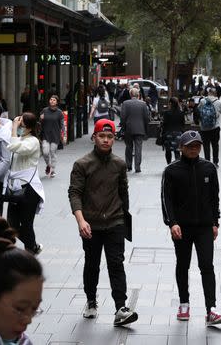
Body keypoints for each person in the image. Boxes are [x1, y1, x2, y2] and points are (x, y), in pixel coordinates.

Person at [68, 119, 138, 327]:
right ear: (94, 137)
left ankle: (120, 308)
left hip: (115, 222)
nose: (106, 140)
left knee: (116, 264)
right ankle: (91, 300)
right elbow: (74, 193)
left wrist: (124, 218)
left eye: (110, 137)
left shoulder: (119, 164)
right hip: (91, 224)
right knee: (92, 264)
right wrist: (81, 221)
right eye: (102, 136)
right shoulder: (82, 164)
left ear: (114, 139)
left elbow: (123, 193)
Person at [161, 130, 221, 326]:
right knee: (183, 265)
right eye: (190, 146)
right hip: (181, 228)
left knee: (207, 266)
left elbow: (214, 197)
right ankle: (184, 303)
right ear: (181, 147)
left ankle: (211, 309)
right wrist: (172, 223)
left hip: (205, 227)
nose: (194, 149)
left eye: (197, 146)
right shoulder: (171, 171)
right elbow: (166, 200)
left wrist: (215, 222)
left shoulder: (208, 168)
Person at [5, 113, 45, 255]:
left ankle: (30, 251)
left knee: (27, 224)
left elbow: (15, 147)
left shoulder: (33, 141)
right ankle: (33, 246)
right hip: (15, 188)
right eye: (18, 125)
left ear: (29, 127)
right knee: (11, 224)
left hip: (29, 188)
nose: (19, 127)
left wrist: (14, 128)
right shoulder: (20, 138)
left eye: (21, 125)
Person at [120, 87, 150, 173]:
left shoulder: (125, 103)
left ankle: (129, 166)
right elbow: (146, 118)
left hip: (128, 128)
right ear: (138, 95)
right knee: (138, 148)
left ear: (130, 94)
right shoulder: (143, 104)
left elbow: (123, 117)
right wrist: (146, 129)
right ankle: (137, 167)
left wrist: (123, 126)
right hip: (140, 129)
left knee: (128, 147)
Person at [198, 88, 221, 167]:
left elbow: (198, 110)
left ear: (208, 93)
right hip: (215, 127)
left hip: (204, 128)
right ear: (215, 93)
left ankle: (207, 162)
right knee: (215, 145)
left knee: (206, 145)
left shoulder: (202, 101)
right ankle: (215, 162)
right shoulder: (218, 102)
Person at [39, 95, 64, 178]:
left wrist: (63, 135)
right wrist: (41, 119)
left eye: (54, 100)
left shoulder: (59, 112)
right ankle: (48, 166)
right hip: (45, 135)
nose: (52, 101)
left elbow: (62, 125)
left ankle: (52, 170)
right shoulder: (44, 110)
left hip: (55, 135)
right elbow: (40, 124)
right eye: (51, 99)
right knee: (45, 152)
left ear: (57, 102)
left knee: (52, 152)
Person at [161, 97, 186, 164]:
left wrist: (163, 134)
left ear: (170, 103)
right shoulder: (181, 113)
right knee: (177, 151)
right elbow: (183, 124)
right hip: (178, 134)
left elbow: (164, 124)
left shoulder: (167, 113)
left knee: (168, 151)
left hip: (168, 133)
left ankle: (169, 164)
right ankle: (177, 165)